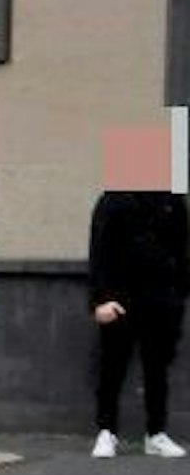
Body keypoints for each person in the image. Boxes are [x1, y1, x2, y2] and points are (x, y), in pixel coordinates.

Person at [88, 189, 189, 458]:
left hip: (161, 299)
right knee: (112, 366)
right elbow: (98, 251)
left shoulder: (173, 200)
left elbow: (181, 250)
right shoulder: (113, 198)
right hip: (120, 299)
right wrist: (99, 301)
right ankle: (106, 432)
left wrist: (177, 297)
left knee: (157, 369)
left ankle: (156, 434)